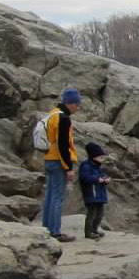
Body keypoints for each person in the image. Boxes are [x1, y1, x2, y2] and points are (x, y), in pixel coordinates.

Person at [42, 89, 81, 242]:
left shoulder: (52, 114)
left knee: (50, 195)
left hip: (49, 159)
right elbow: (63, 145)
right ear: (70, 103)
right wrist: (69, 168)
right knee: (58, 197)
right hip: (59, 161)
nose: (78, 108)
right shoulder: (63, 119)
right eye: (77, 104)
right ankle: (55, 232)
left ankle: (45, 228)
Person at [78, 142, 112, 240]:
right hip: (91, 194)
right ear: (93, 156)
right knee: (91, 214)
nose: (103, 160)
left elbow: (102, 176)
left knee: (100, 214)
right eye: (101, 157)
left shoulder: (98, 167)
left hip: (99, 194)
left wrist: (105, 180)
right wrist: (97, 179)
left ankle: (94, 229)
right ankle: (88, 232)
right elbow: (84, 177)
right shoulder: (86, 166)